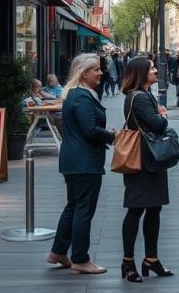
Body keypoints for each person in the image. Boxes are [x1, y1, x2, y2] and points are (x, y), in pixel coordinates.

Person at [48, 53, 117, 274]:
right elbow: (89, 129)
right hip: (84, 160)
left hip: (74, 159)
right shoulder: (82, 97)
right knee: (84, 210)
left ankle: (58, 251)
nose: (100, 72)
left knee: (74, 206)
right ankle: (80, 259)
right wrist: (110, 135)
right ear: (83, 73)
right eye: (95, 69)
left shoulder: (76, 94)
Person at [119, 57, 175, 283]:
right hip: (142, 160)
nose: (156, 70)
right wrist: (162, 115)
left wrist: (159, 114)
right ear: (141, 73)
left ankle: (151, 258)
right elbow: (158, 124)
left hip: (151, 158)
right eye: (152, 68)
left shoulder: (143, 95)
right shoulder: (139, 97)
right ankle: (128, 261)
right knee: (136, 209)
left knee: (154, 208)